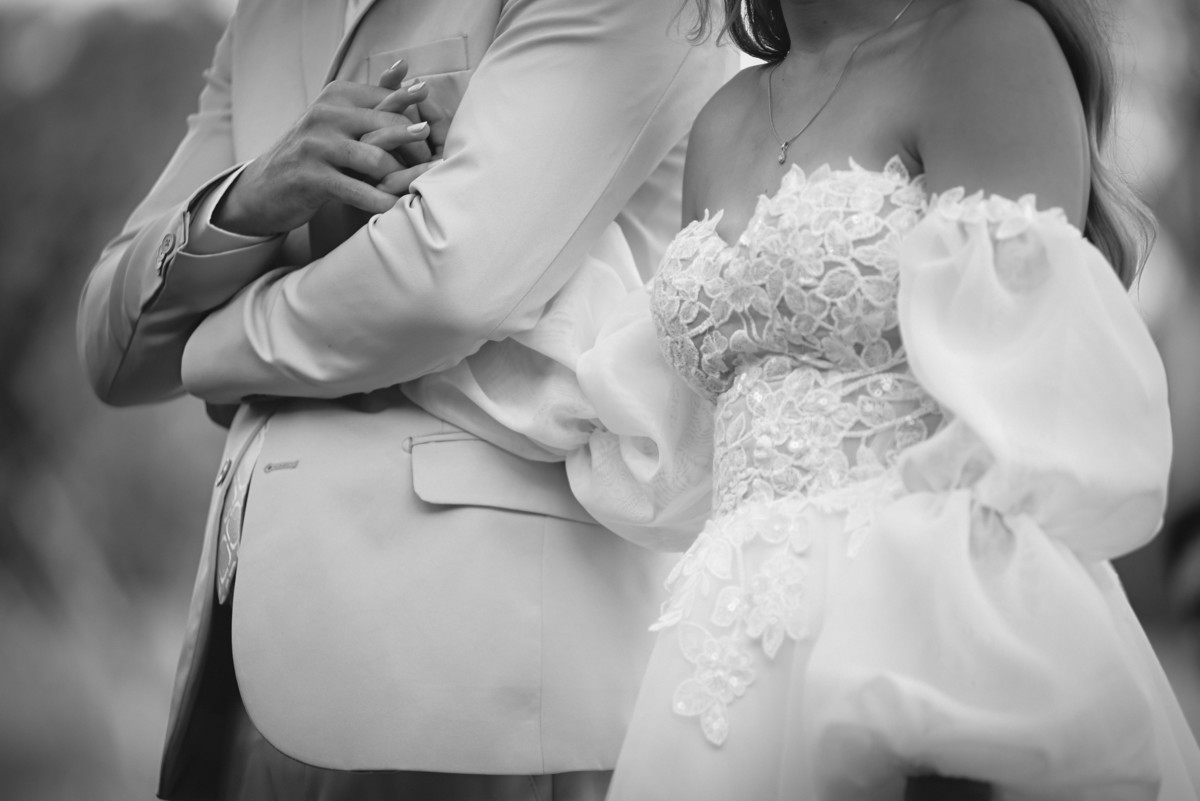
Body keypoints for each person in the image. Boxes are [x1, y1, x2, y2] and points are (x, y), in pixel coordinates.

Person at [406, 0, 1200, 798]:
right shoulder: (724, 118)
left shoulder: (982, 41)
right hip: (725, 660)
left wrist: (949, 721)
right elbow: (665, 423)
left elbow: (1027, 414)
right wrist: (475, 186)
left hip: (918, 652)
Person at [76, 1, 734, 799]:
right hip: (238, 660)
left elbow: (451, 283)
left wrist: (209, 350)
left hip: (477, 687)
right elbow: (112, 345)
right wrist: (248, 198)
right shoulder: (267, 19)